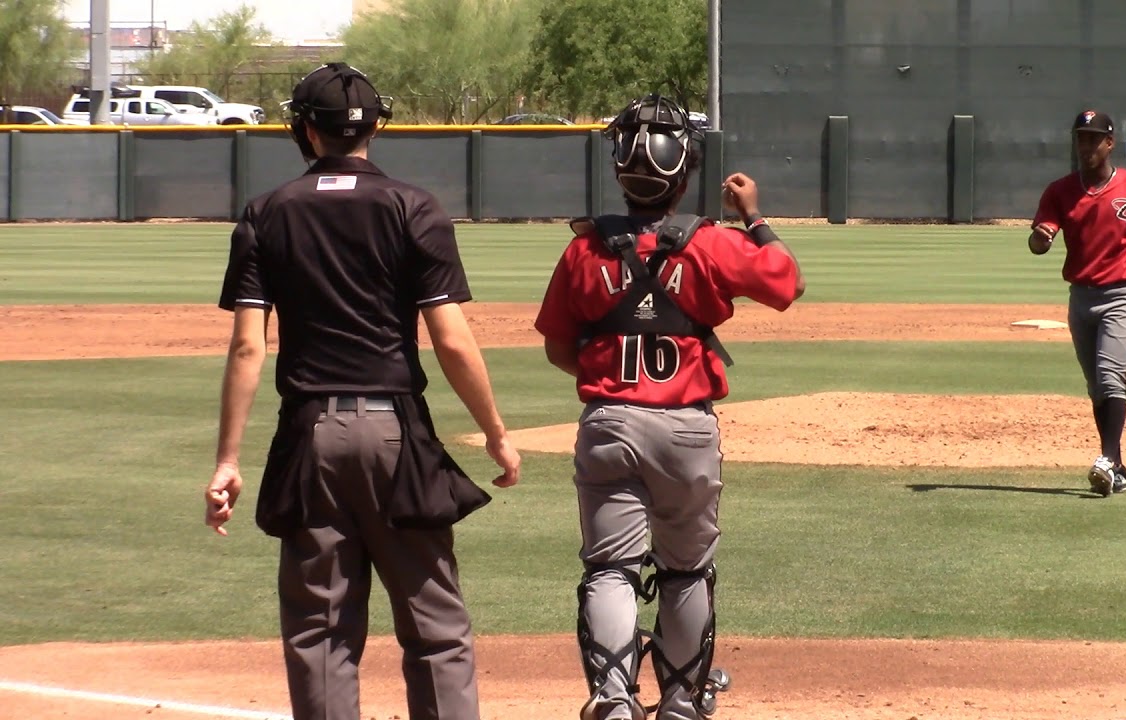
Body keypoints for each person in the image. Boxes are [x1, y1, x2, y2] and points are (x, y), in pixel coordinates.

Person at [202, 62, 521, 720]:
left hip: (311, 437)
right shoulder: (414, 207)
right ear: (377, 125)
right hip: (397, 434)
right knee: (436, 632)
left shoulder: (266, 213)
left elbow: (246, 346)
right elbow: (453, 342)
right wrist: (494, 432)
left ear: (304, 131)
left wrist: (228, 460)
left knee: (319, 634)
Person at [534, 94, 806, 720]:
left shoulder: (584, 249)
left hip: (608, 423)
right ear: (682, 175)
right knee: (685, 571)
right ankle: (681, 701)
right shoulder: (711, 243)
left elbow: (556, 346)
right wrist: (754, 217)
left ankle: (612, 700)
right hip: (686, 429)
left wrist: (606, 374)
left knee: (610, 570)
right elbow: (786, 283)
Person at [1029, 109, 1126, 497]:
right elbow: (1037, 241)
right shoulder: (1059, 191)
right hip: (1081, 298)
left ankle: (1104, 458)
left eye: (1093, 138)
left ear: (1109, 143)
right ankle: (1116, 467)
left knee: (1109, 375)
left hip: (1124, 294)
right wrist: (1041, 239)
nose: (1086, 145)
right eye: (1080, 138)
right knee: (1097, 387)